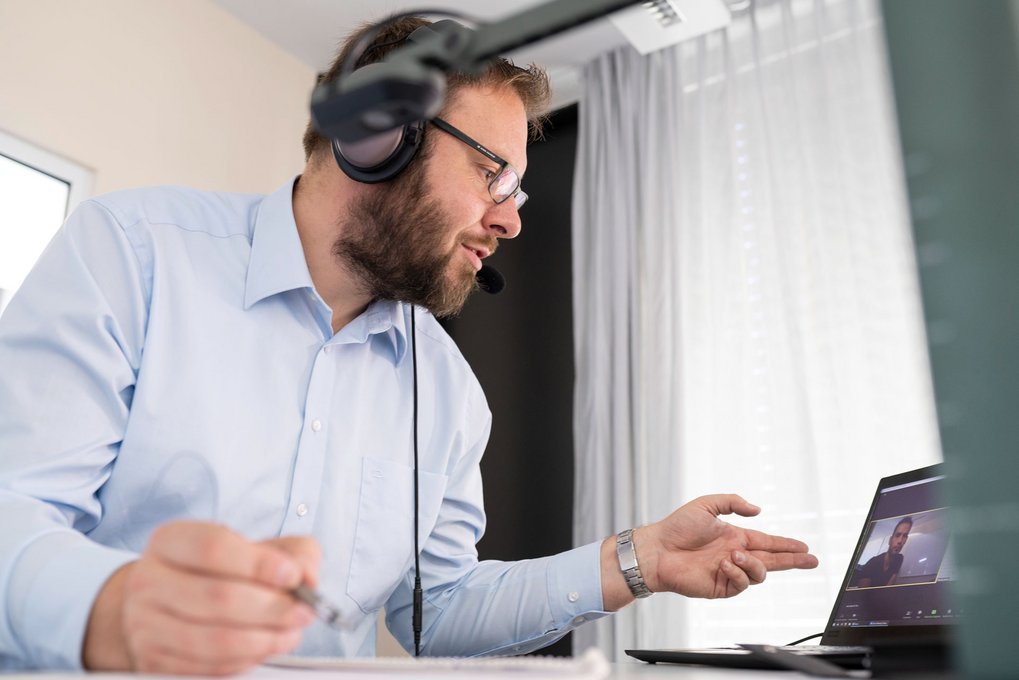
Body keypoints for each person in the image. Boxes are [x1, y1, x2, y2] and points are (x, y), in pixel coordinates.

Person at [0, 16, 818, 675]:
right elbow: (13, 515)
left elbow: (438, 612)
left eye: (518, 191)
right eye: (492, 175)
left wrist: (633, 562)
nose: (511, 220)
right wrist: (111, 611)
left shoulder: (449, 392)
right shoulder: (132, 253)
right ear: (373, 135)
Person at [856, 517, 913, 587]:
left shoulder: (899, 558)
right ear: (890, 540)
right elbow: (862, 595)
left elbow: (889, 587)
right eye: (897, 535)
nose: (900, 541)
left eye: (904, 536)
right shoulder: (872, 563)